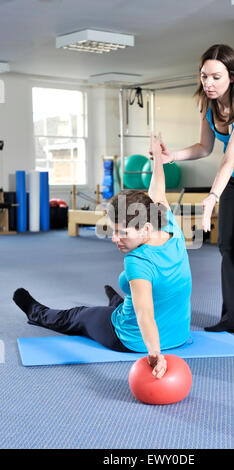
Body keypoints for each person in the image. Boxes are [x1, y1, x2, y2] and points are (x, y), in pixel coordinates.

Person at [13, 134, 192, 378]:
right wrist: (158, 160)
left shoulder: (137, 262)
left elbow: (145, 313)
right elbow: (157, 188)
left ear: (146, 229)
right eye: (112, 231)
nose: (114, 239)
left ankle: (36, 313)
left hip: (133, 340)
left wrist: (155, 353)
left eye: (123, 232)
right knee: (131, 298)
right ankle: (116, 302)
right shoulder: (169, 224)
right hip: (179, 335)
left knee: (80, 315)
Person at [151, 44, 234, 336]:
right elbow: (204, 147)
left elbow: (230, 156)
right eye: (203, 76)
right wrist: (172, 155)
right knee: (227, 246)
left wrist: (212, 197)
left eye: (215, 77)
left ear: (233, 76)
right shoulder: (208, 104)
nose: (208, 84)